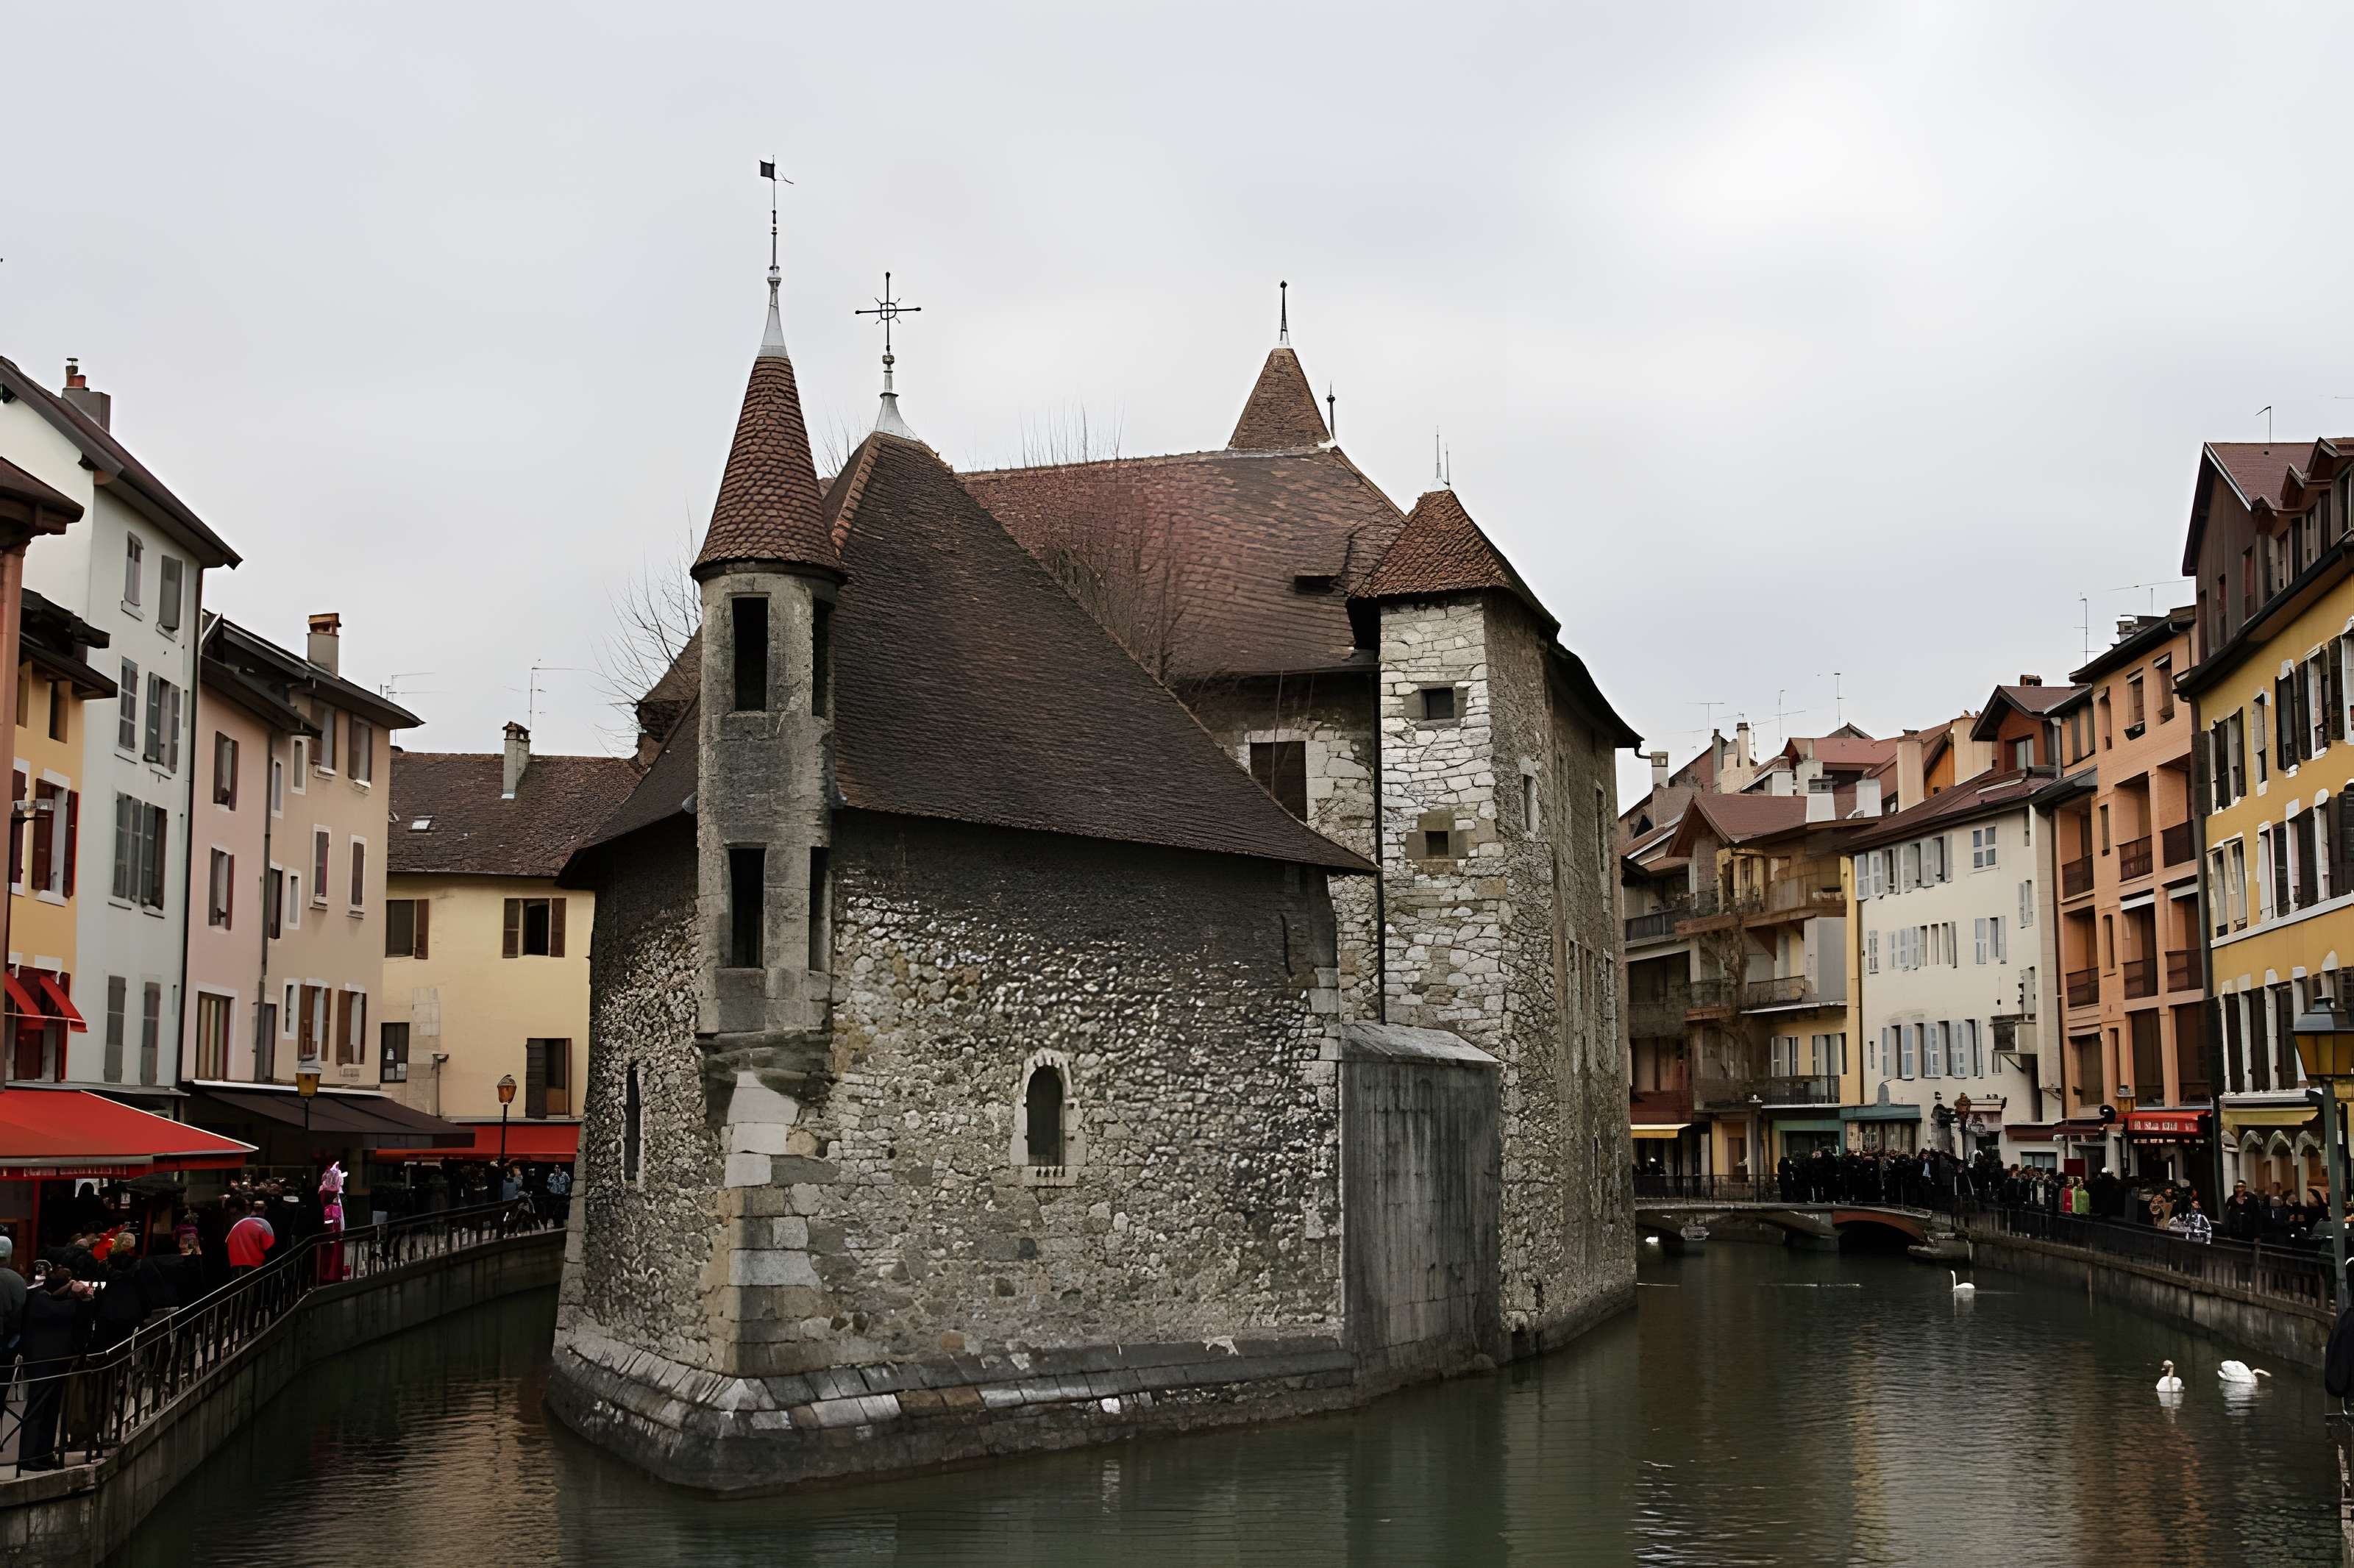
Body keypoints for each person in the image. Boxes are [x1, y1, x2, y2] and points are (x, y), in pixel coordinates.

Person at [16, 1266, 94, 1470]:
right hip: (42, 1362)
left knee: (50, 1410)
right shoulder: (38, 1299)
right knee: (38, 1408)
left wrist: (78, 1296)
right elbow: (62, 1311)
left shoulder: (45, 1299)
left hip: (55, 1360)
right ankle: (28, 1457)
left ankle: (44, 1453)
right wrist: (78, 1297)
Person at [224, 1198, 275, 1276]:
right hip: (254, 1262)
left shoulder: (233, 1222)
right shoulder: (260, 1224)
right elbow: (268, 1245)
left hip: (236, 1260)